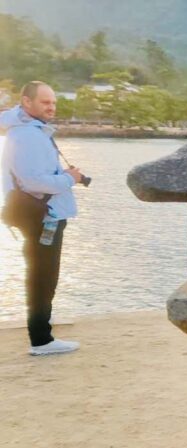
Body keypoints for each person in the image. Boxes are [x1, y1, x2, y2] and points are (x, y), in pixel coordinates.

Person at [1, 81, 86, 356]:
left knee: (41, 275)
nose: (51, 107)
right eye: (45, 102)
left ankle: (42, 333)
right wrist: (69, 178)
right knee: (43, 276)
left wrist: (62, 175)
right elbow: (34, 181)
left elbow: (33, 174)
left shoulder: (28, 131)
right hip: (43, 217)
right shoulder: (27, 135)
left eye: (53, 103)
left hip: (42, 214)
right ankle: (41, 339)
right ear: (27, 102)